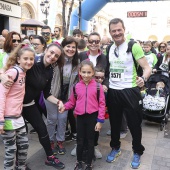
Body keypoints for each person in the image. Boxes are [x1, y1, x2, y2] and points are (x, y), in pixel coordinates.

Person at [0, 43, 65, 169]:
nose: (52, 56)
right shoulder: (32, 62)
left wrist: (58, 102)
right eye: (51, 52)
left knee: (42, 129)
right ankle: (19, 163)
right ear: (46, 50)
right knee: (18, 141)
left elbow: (46, 94)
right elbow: (11, 67)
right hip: (14, 107)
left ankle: (50, 157)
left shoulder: (50, 70)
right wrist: (2, 75)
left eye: (56, 56)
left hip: (29, 105)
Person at [104, 18, 151, 169]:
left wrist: (143, 79)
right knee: (115, 123)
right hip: (113, 91)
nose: (117, 33)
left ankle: (137, 150)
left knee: (134, 124)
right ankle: (115, 147)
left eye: (119, 30)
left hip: (130, 91)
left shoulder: (133, 46)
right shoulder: (109, 48)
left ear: (124, 29)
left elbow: (147, 68)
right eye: (113, 31)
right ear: (110, 32)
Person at [60, 60, 105, 170]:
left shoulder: (98, 87)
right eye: (83, 72)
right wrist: (64, 107)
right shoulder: (76, 87)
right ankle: (78, 162)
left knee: (90, 141)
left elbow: (102, 105)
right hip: (80, 118)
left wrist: (100, 120)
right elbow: (72, 102)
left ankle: (89, 164)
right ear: (79, 72)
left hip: (92, 118)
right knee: (79, 141)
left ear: (93, 72)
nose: (86, 75)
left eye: (89, 72)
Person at [0, 44, 35, 170]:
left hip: (18, 117)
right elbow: (1, 95)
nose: (29, 61)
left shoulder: (23, 72)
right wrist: (1, 120)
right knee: (11, 150)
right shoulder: (13, 72)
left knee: (24, 145)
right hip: (8, 117)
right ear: (18, 59)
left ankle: (21, 167)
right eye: (25, 58)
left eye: (31, 59)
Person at [45, 36, 79, 155]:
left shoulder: (77, 62)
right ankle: (50, 141)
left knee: (63, 119)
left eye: (73, 47)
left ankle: (60, 141)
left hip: (66, 96)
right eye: (68, 46)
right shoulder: (56, 59)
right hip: (51, 94)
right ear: (63, 47)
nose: (70, 49)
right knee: (52, 119)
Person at [78, 32, 107, 159]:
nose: (94, 43)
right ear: (87, 42)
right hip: (83, 92)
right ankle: (81, 145)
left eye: (96, 41)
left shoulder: (105, 57)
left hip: (98, 92)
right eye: (91, 41)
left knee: (95, 123)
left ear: (100, 42)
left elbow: (108, 74)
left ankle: (93, 146)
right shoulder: (81, 55)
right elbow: (76, 71)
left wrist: (105, 85)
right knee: (81, 122)